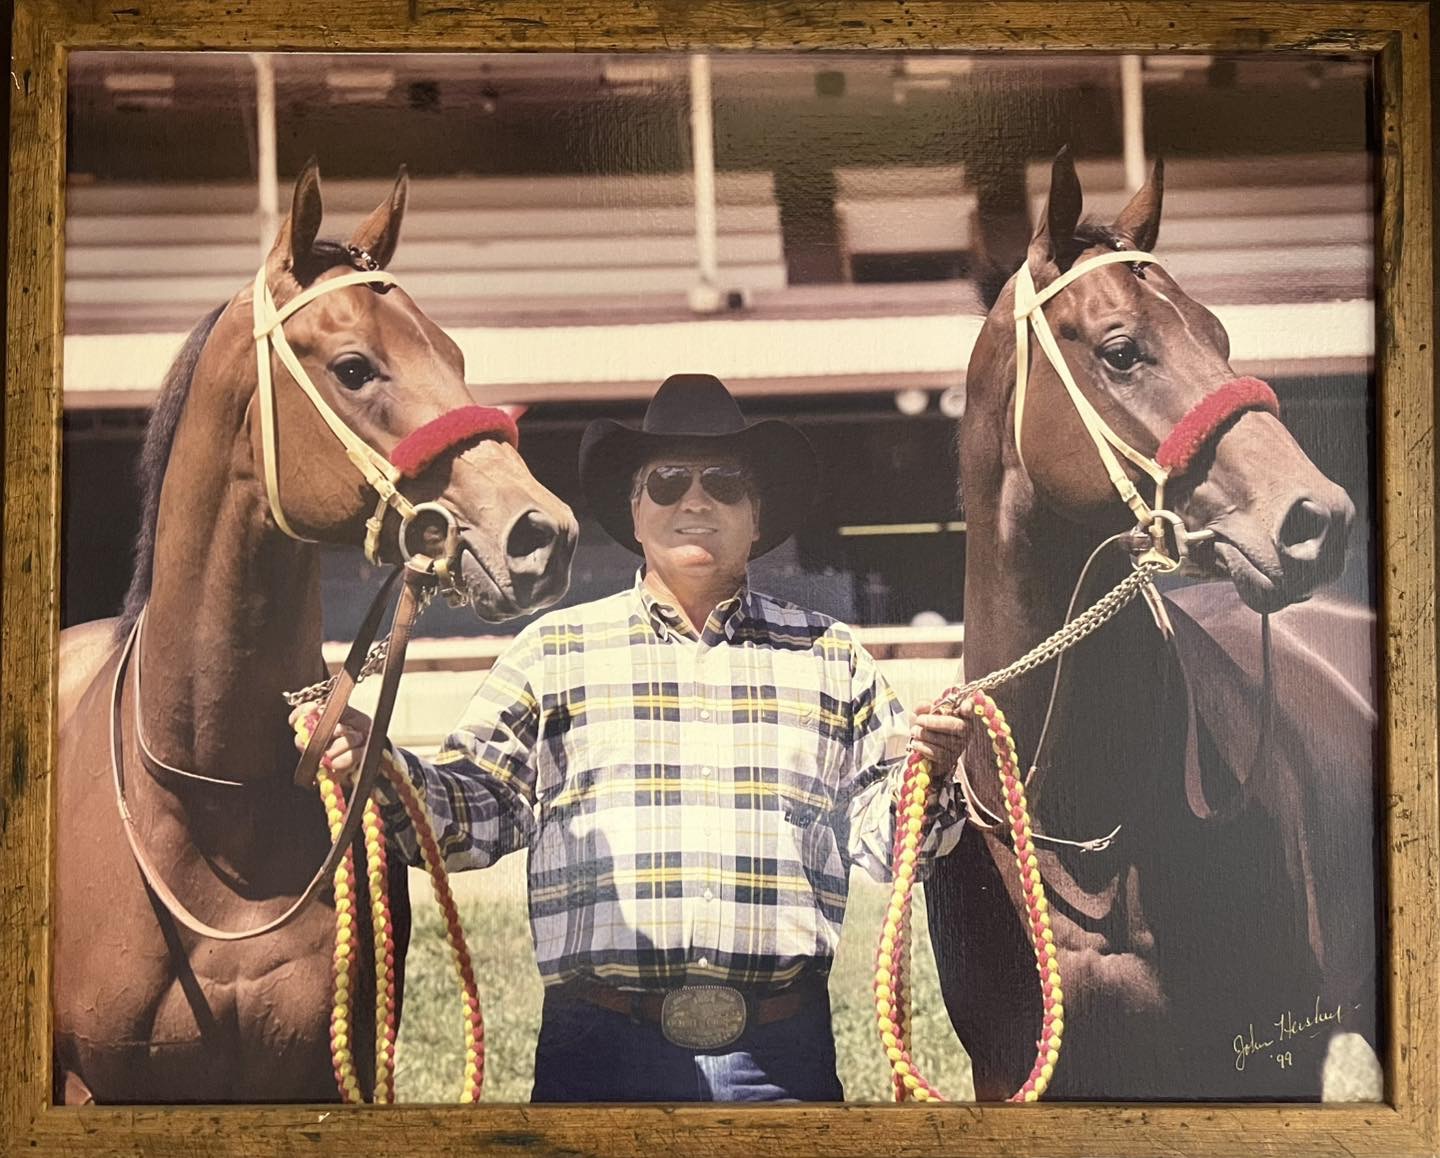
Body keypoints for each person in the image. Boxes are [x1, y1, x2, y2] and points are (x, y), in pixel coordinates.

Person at [297, 373, 970, 1102]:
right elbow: (475, 813)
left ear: (756, 515)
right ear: (636, 509)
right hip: (599, 1051)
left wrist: (929, 776)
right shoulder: (553, 651)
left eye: (724, 483)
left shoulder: (829, 656)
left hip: (780, 1056)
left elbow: (888, 841)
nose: (695, 501)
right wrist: (384, 765)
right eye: (669, 481)